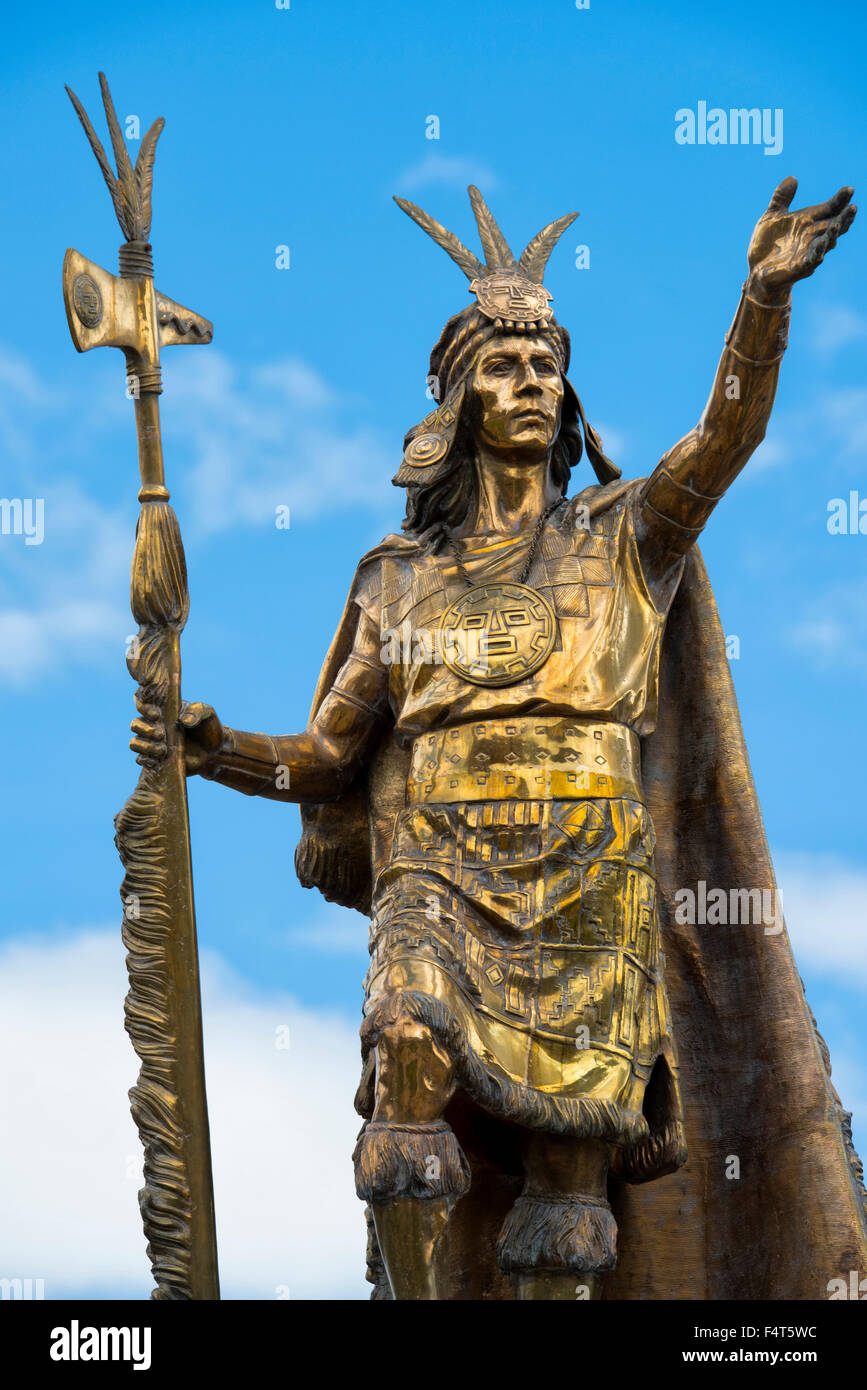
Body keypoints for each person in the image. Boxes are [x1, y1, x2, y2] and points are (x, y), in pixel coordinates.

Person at [131, 180, 865, 1301]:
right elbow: (328, 758)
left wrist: (761, 298)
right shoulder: (397, 577)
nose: (531, 383)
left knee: (572, 1175)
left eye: (546, 367)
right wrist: (214, 741)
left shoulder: (629, 538)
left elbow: (728, 436)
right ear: (456, 399)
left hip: (592, 881)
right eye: (503, 366)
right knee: (406, 1045)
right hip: (440, 868)